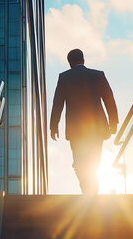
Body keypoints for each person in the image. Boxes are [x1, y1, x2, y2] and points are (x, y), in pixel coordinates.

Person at [50, 48, 118, 195]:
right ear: (83, 60)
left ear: (70, 63)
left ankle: (87, 190)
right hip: (97, 128)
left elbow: (58, 103)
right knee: (94, 161)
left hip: (76, 130)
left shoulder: (64, 77)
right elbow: (109, 99)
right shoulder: (98, 75)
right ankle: (92, 191)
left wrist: (53, 126)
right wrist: (113, 122)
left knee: (79, 162)